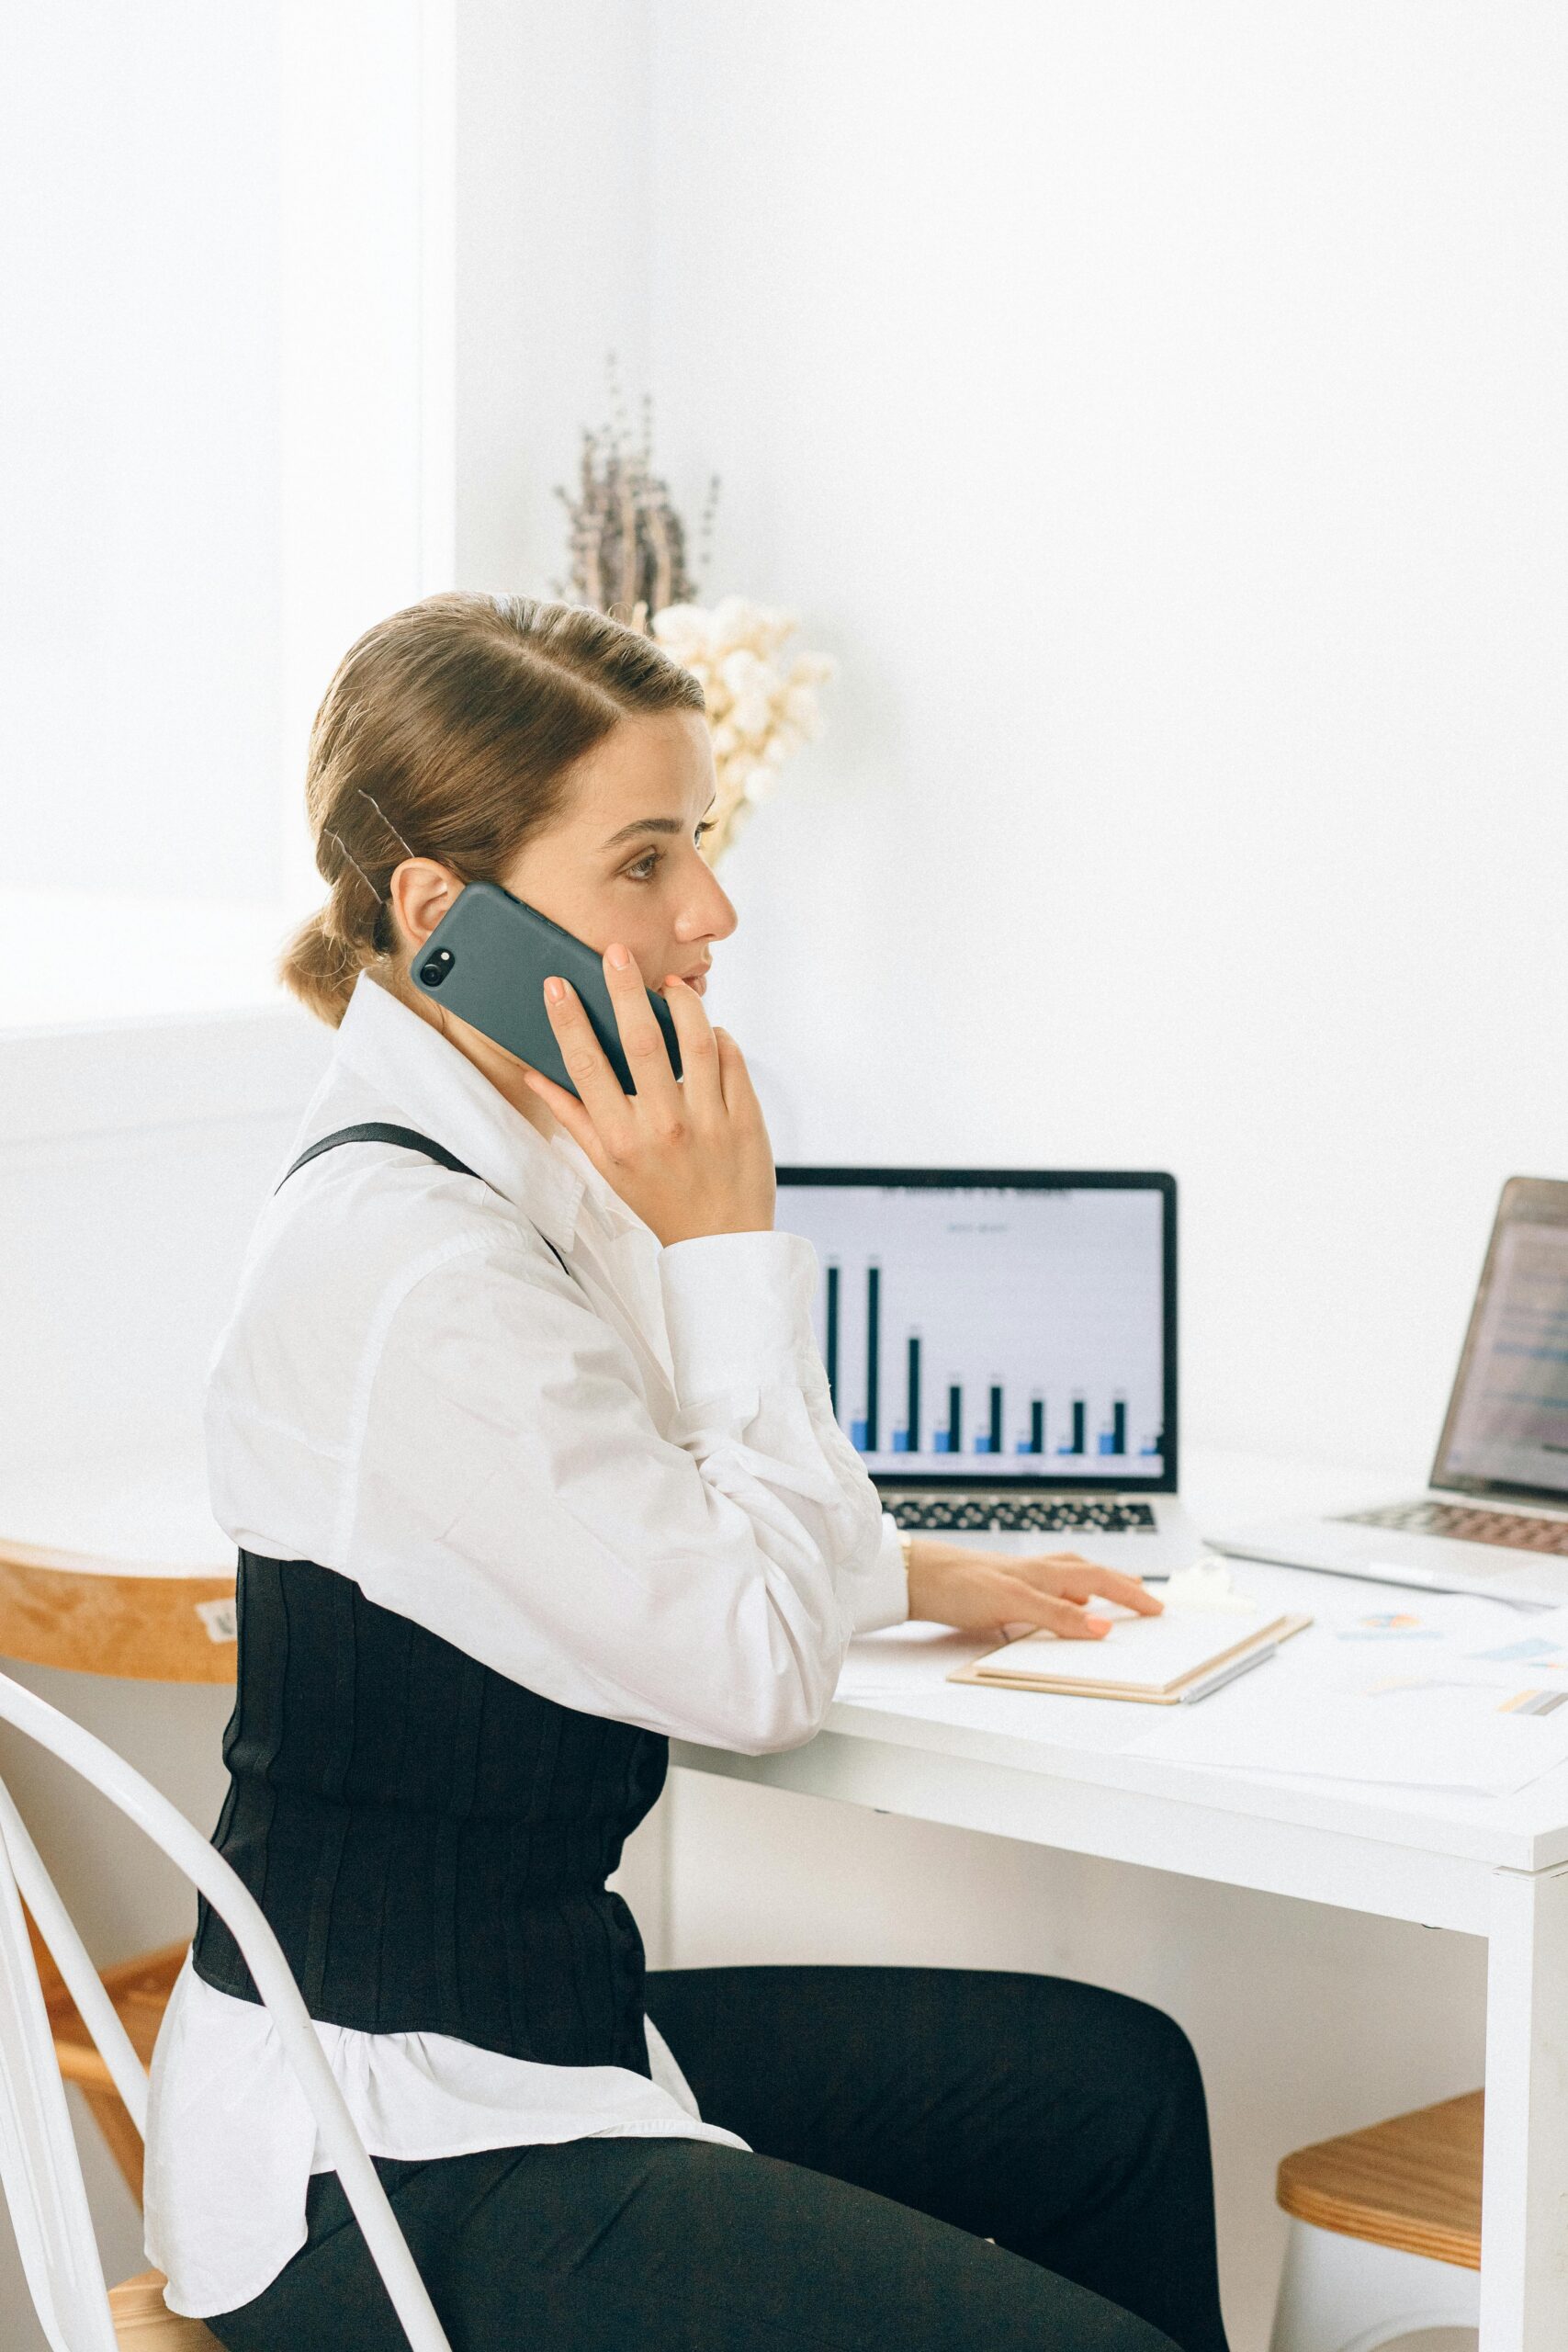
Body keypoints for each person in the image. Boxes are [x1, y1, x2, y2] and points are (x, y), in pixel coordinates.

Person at [143, 592, 1231, 2352]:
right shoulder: (418, 1264)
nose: (714, 913)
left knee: (1115, 2091)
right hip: (382, 2160)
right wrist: (729, 1246)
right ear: (447, 917)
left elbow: (678, 1510)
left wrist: (902, 1569)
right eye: (644, 859)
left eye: (701, 847)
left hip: (537, 2045)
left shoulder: (523, 1176)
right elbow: (753, 1673)